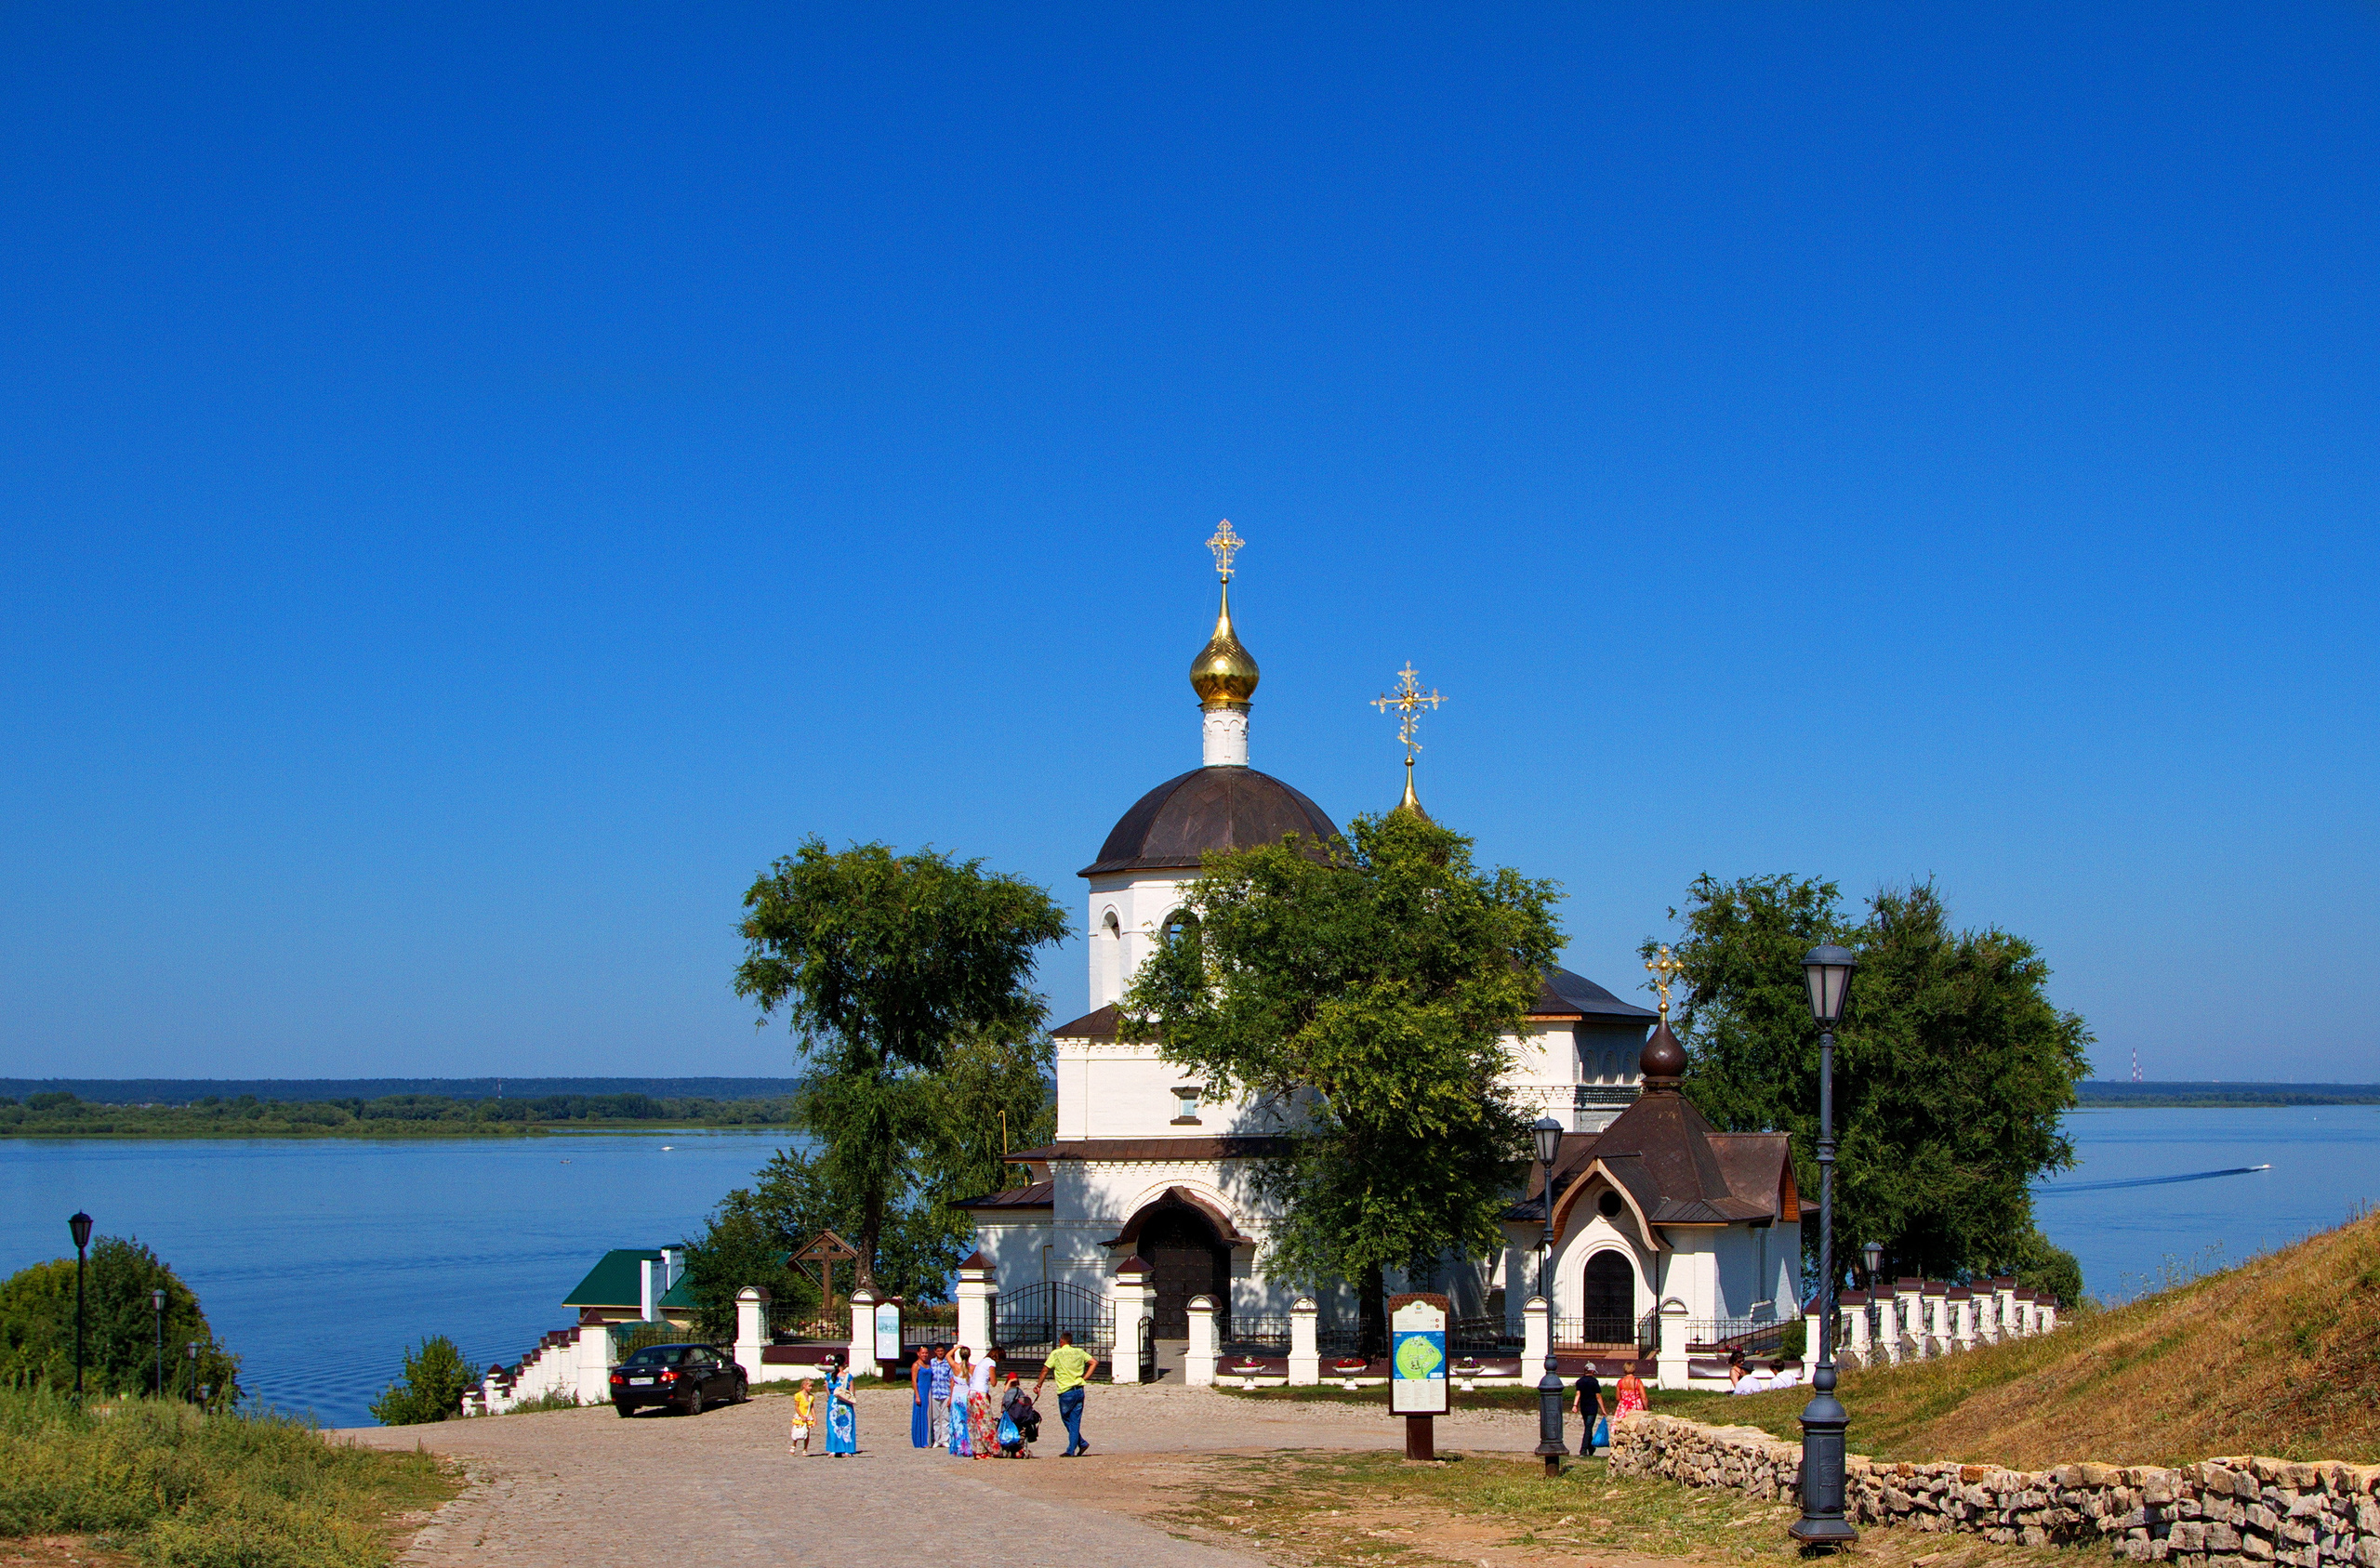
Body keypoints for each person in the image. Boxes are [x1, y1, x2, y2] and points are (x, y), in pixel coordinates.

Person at [1032, 1330, 1098, 1457]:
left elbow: (1045, 1370)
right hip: (1079, 1389)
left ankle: (1072, 1448)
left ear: (1061, 1341)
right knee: (1075, 1420)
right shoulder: (1079, 1352)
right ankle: (1079, 1443)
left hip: (1066, 1391)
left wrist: (1039, 1385)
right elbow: (1094, 1362)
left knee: (1067, 1419)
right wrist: (1085, 1378)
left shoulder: (1056, 1354)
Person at [823, 1355, 857, 1458]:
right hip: (845, 1402)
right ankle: (847, 1449)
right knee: (846, 1425)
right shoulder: (848, 1376)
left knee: (833, 1425)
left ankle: (834, 1449)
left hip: (833, 1402)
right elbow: (852, 1392)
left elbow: (828, 1392)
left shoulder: (829, 1377)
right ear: (844, 1364)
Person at [968, 1345, 998, 1459]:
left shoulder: (982, 1361)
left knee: (974, 1423)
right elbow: (994, 1382)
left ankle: (978, 1450)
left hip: (971, 1393)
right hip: (981, 1393)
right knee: (985, 1422)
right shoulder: (991, 1363)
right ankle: (990, 1449)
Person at [998, 1372, 1037, 1457]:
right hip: (1022, 1418)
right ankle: (1020, 1449)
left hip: (1011, 1418)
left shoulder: (1009, 1393)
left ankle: (1008, 1449)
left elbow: (1005, 1402)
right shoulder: (1020, 1392)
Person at [1575, 1364, 1609, 1457]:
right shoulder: (1594, 1382)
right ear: (1593, 1372)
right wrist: (1603, 1409)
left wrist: (1575, 1405)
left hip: (1583, 1407)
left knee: (1588, 1427)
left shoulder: (1579, 1381)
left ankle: (1591, 1448)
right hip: (1592, 1408)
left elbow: (1578, 1394)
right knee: (1588, 1428)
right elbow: (1598, 1396)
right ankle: (1583, 1449)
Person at [946, 1347, 973, 1456]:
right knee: (966, 1422)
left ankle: (958, 1446)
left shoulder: (956, 1367)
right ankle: (967, 1446)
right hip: (965, 1396)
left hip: (956, 1396)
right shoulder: (972, 1368)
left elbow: (947, 1356)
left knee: (957, 1422)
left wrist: (956, 1347)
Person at [926, 1343, 953, 1449]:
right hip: (935, 1393)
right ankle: (937, 1439)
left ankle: (945, 1439)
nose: (940, 1353)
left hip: (945, 1392)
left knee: (946, 1417)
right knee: (935, 1418)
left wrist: (951, 1395)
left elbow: (951, 1380)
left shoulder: (948, 1364)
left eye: (942, 1351)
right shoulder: (932, 1362)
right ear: (935, 1352)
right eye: (938, 1351)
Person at [909, 1345, 932, 1448]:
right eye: (923, 1353)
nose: (925, 1355)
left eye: (926, 1353)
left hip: (929, 1391)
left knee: (928, 1414)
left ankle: (928, 1438)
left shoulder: (928, 1364)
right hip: (921, 1391)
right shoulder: (916, 1365)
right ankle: (921, 1441)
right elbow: (914, 1381)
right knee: (921, 1415)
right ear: (918, 1353)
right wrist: (917, 1395)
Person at [790, 1377, 817, 1456]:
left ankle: (805, 1449)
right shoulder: (798, 1395)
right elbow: (796, 1407)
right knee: (797, 1431)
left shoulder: (811, 1397)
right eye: (809, 1386)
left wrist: (814, 1417)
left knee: (807, 1432)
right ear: (804, 1386)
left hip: (807, 1415)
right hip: (800, 1415)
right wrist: (801, 1416)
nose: (811, 1388)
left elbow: (812, 1407)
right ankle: (793, 1446)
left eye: (811, 1386)